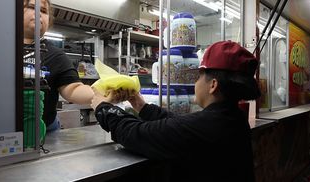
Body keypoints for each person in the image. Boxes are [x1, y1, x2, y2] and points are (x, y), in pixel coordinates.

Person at [91, 41, 261, 181]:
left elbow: (137, 134)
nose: (195, 83)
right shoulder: (233, 118)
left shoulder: (209, 126)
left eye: (198, 77)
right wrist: (140, 105)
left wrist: (103, 108)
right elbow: (178, 124)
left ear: (213, 85)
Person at [23, 0, 94, 131]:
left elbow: (73, 89)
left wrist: (102, 92)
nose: (38, 14)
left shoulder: (56, 55)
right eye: (32, 7)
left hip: (45, 131)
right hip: (2, 130)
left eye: (44, 11)